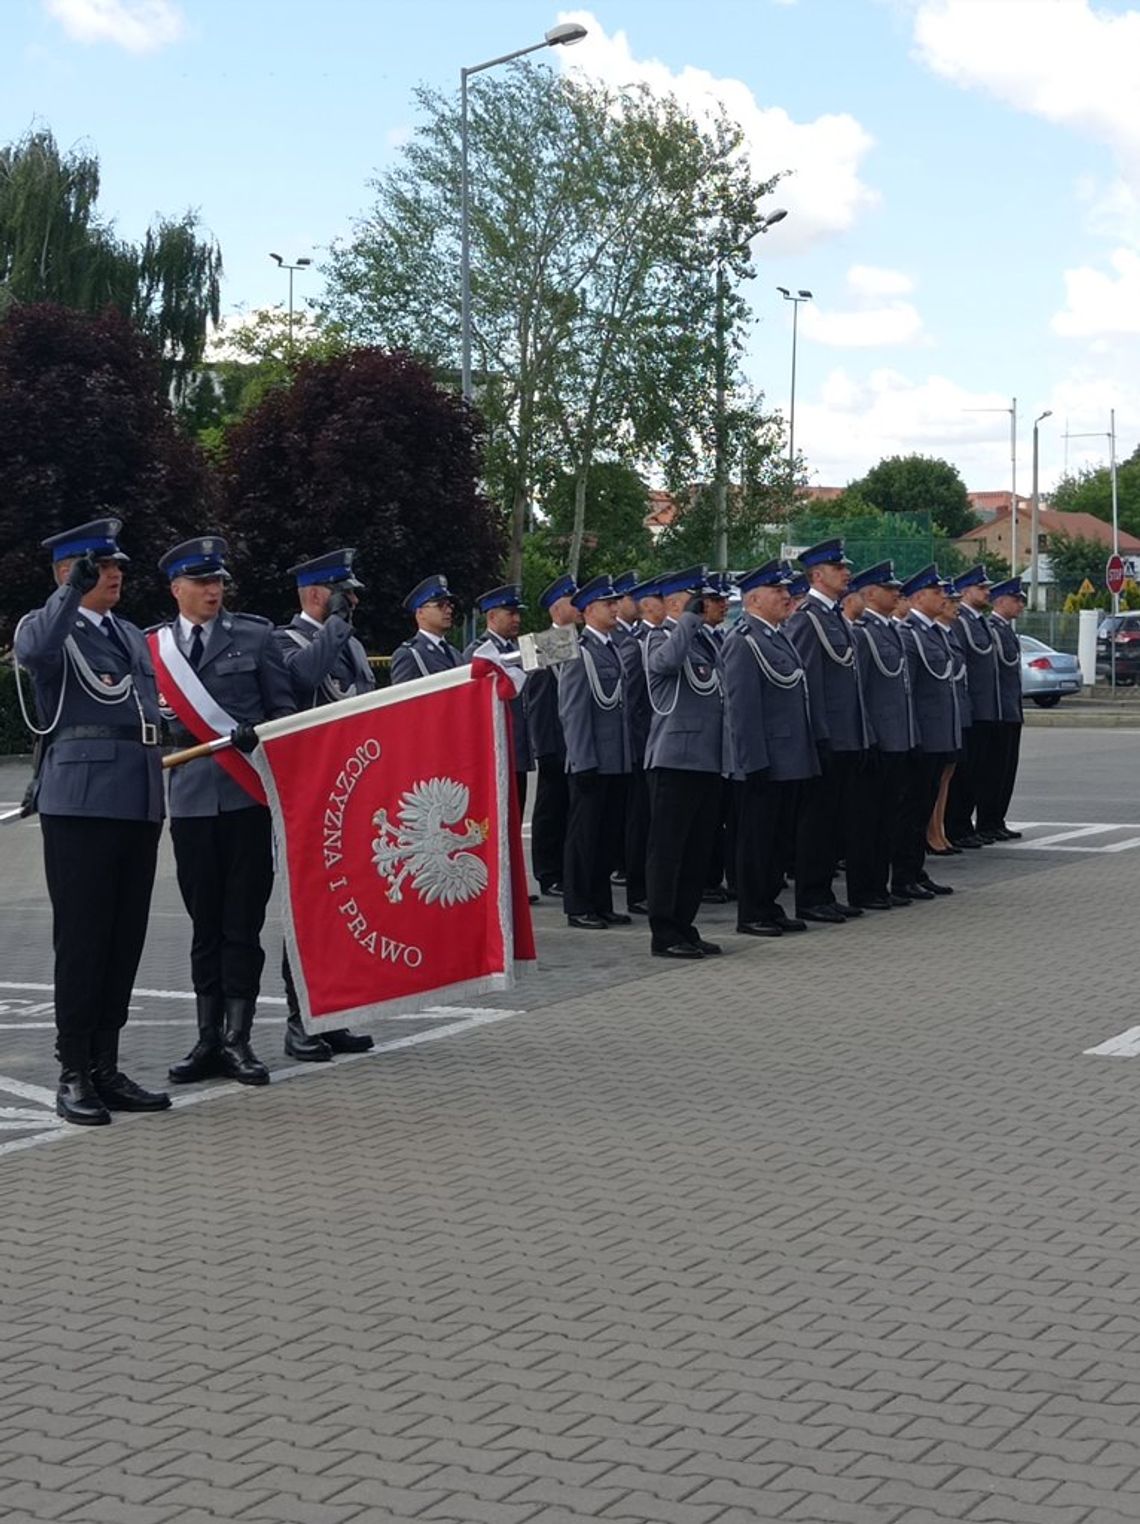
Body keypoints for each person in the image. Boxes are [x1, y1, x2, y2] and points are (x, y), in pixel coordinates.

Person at [14, 518, 168, 1126]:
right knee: (82, 942)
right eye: (101, 567)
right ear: (70, 571)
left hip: (137, 799)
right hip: (79, 801)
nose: (116, 574)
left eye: (118, 566)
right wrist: (67, 594)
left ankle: (106, 1064)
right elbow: (34, 655)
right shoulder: (49, 624)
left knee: (123, 941)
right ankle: (73, 1069)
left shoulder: (129, 633)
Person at [156, 536, 295, 1088]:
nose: (214, 591)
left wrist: (258, 736)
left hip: (245, 799)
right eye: (202, 582)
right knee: (204, 924)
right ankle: (207, 1038)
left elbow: (283, 710)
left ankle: (239, 1039)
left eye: (218, 582)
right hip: (190, 804)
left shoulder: (256, 637)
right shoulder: (156, 648)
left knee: (242, 922)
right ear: (177, 589)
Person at [274, 549, 376, 1062]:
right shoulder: (283, 640)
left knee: (346, 910)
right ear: (317, 593)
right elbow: (303, 679)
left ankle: (336, 1013)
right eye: (343, 592)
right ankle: (300, 1021)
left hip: (351, 794)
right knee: (310, 910)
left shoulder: (350, 644)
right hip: (311, 799)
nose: (352, 600)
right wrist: (334, 625)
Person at [722, 560, 815, 937]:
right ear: (754, 598)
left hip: (788, 758)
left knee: (777, 840)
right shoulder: (744, 641)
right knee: (756, 840)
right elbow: (741, 708)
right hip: (764, 761)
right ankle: (752, 911)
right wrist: (752, 761)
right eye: (777, 591)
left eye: (785, 590)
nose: (785, 596)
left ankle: (770, 903)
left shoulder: (778, 636)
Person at [643, 566, 728, 959]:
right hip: (674, 761)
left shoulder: (706, 643)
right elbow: (665, 665)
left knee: (697, 851)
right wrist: (689, 619)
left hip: (708, 760)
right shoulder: (659, 638)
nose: (721, 605)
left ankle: (684, 924)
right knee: (669, 851)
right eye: (709, 599)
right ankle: (664, 931)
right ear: (680, 602)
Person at [784, 539, 869, 925]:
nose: (846, 573)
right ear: (817, 575)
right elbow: (807, 684)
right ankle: (810, 896)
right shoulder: (808, 618)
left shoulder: (834, 616)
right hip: (826, 736)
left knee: (832, 820)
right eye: (838, 568)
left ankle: (823, 893)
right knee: (815, 821)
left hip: (845, 734)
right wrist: (817, 735)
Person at [558, 575, 632, 929]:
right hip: (592, 761)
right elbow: (573, 710)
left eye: (616, 602)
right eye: (608, 604)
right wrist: (583, 759)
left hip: (614, 759)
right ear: (589, 610)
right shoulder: (578, 649)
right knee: (584, 837)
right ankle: (579, 904)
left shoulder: (611, 647)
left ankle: (601, 901)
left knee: (606, 836)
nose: (616, 608)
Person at [848, 561, 916, 910]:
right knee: (868, 819)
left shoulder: (890, 629)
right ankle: (864, 887)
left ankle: (879, 884)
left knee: (889, 816)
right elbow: (859, 690)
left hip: (897, 738)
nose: (897, 595)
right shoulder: (863, 633)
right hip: (877, 740)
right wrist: (869, 735)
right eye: (890, 590)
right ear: (871, 594)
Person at [893, 565, 959, 901]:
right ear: (919, 597)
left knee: (923, 807)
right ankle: (903, 875)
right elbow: (910, 690)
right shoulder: (910, 634)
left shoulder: (934, 632)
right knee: (911, 810)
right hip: (922, 738)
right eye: (937, 592)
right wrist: (915, 735)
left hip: (938, 735)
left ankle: (915, 870)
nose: (944, 597)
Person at [526, 574, 578, 896]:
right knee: (551, 807)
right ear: (558, 609)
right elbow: (540, 700)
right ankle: (548, 872)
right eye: (574, 601)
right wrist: (545, 746)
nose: (581, 607)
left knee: (570, 809)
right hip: (554, 742)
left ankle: (565, 867)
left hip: (574, 742)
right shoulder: (541, 644)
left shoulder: (578, 639)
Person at [463, 585, 533, 808]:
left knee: (517, 809)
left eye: (517, 613)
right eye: (510, 613)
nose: (517, 619)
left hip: (517, 747)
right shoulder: (481, 652)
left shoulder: (518, 648)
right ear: (492, 616)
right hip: (495, 747)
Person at [948, 566, 1000, 847]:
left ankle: (966, 825)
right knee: (965, 774)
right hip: (972, 708)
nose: (987, 592)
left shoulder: (978, 621)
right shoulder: (961, 622)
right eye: (982, 588)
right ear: (966, 591)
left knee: (979, 771)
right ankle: (957, 825)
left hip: (985, 708)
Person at [617, 577, 657, 916]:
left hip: (654, 747)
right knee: (639, 822)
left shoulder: (655, 640)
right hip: (642, 747)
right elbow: (631, 703)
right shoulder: (637, 644)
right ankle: (638, 889)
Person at [980, 577, 1027, 842]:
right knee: (993, 772)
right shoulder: (993, 629)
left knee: (1006, 771)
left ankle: (996, 819)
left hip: (1010, 708)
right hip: (999, 709)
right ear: (1000, 601)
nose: (1020, 604)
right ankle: (987, 821)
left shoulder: (1005, 630)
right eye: (1016, 599)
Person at [389, 574, 461, 683]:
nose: (449, 611)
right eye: (440, 605)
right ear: (420, 613)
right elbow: (403, 697)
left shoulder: (455, 653)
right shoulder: (410, 654)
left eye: (450, 605)